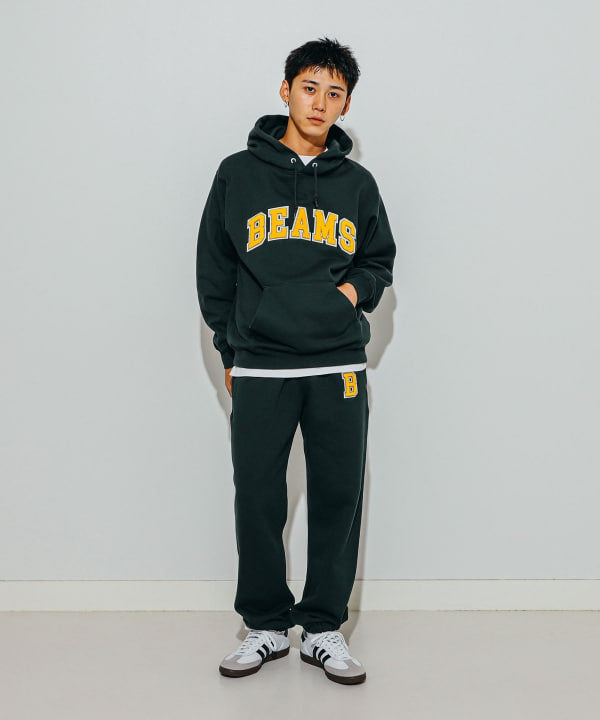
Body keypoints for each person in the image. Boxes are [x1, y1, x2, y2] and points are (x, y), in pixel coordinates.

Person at [196, 37, 396, 685]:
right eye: (310, 88)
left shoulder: (357, 184)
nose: (320, 103)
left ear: (345, 105)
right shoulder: (237, 174)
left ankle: (323, 627)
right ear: (286, 90)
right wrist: (231, 351)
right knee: (258, 497)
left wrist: (349, 294)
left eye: (334, 93)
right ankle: (264, 624)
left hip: (337, 364)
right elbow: (214, 271)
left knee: (339, 494)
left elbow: (378, 261)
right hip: (261, 364)